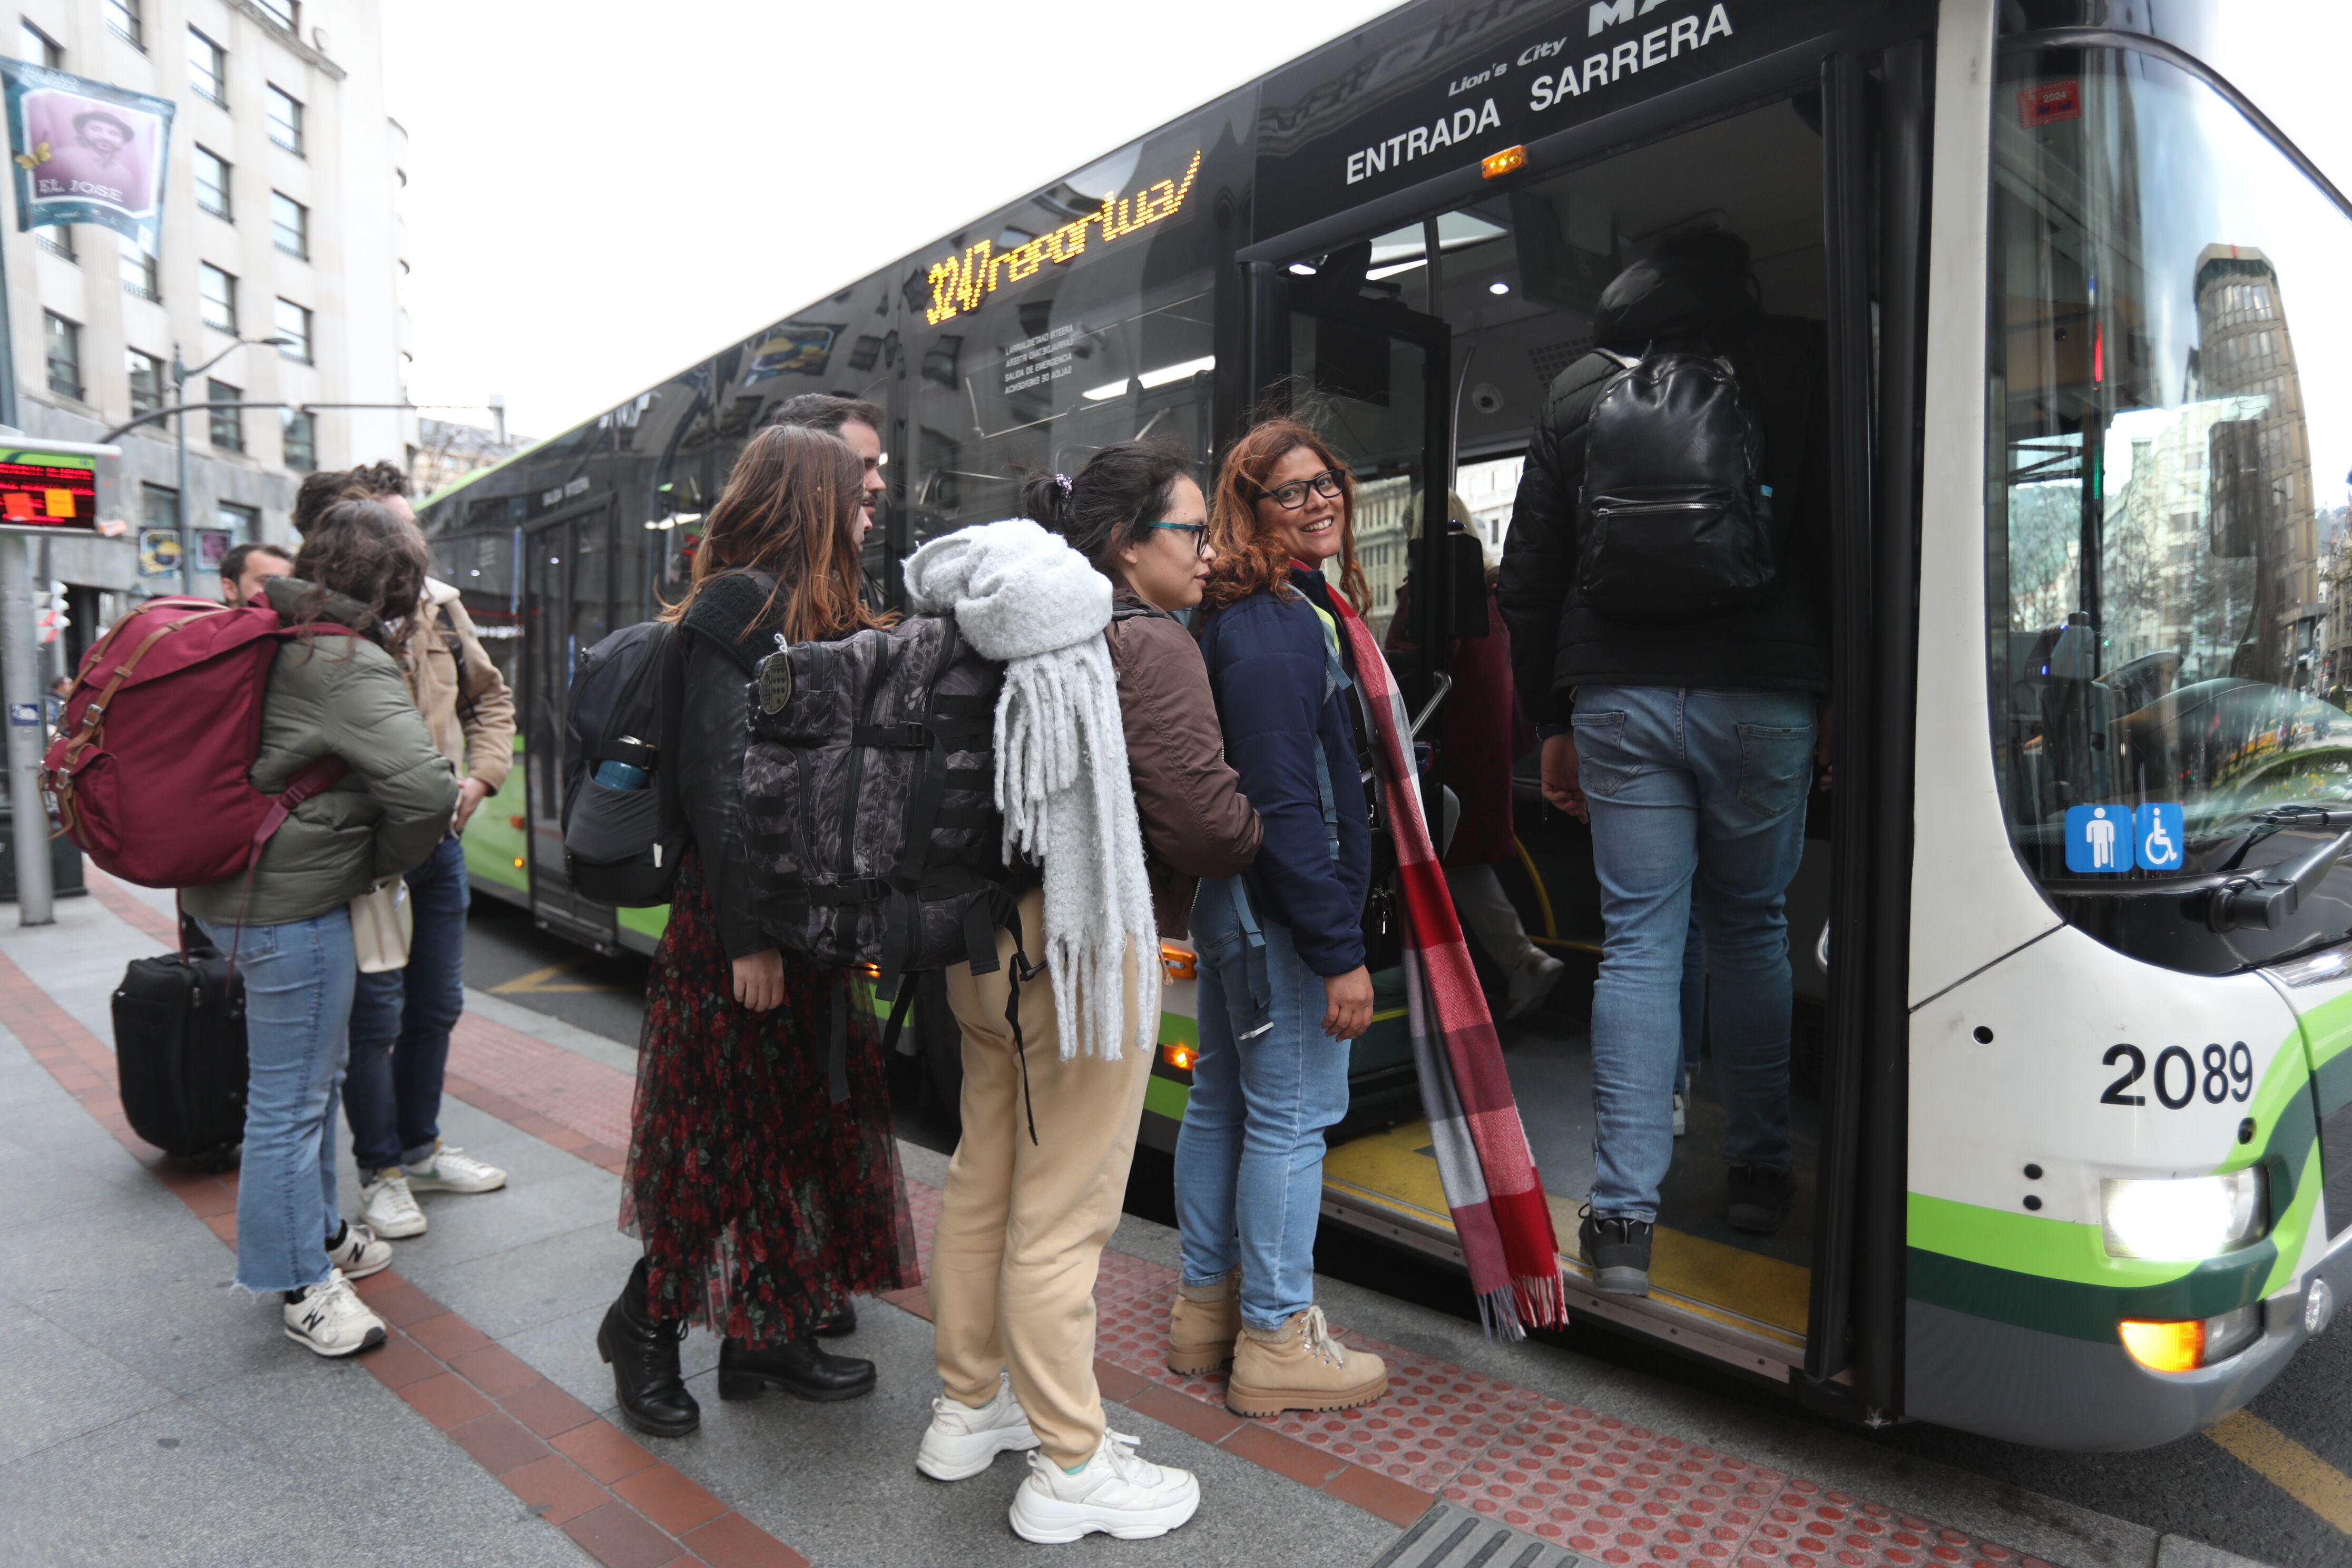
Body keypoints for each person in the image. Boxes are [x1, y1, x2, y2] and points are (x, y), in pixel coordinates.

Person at [913, 444, 1259, 1543]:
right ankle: (1070, 1463)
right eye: (1193, 532)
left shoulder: (1005, 618)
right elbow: (1204, 824)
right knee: (1066, 1208)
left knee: (986, 1175)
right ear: (1125, 544)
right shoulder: (1148, 646)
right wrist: (1257, 827)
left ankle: (970, 1408)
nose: (1211, 553)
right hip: (1082, 948)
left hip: (979, 943)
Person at [1497, 226, 1830, 1297]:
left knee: (1641, 941)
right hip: (1767, 691)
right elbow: (1843, 545)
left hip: (1618, 695)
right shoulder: (1803, 365)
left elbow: (1531, 574)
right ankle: (1757, 1173)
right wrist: (1842, 702)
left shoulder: (1576, 395)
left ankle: (1624, 1224)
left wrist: (1551, 715)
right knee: (1753, 926)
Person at [597, 423, 917, 1438]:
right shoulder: (737, 605)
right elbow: (719, 783)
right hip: (746, 927)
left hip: (805, 925)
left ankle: (764, 1330)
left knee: (787, 1134)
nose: (872, 496)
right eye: (853, 484)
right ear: (806, 495)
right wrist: (750, 938)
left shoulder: (805, 606)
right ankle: (641, 1328)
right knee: (720, 1143)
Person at [180, 499, 459, 1356]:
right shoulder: (345, 660)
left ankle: (321, 1230)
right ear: (398, 586)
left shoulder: (272, 628)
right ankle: (297, 1280)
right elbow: (424, 793)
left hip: (244, 888)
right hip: (289, 904)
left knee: (306, 1079)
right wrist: (376, 864)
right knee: (291, 1102)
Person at [1174, 416, 1388, 1418]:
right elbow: (1283, 798)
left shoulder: (1265, 610)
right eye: (1292, 491)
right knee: (1294, 1119)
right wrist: (1338, 949)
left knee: (1225, 1104)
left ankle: (1205, 1313)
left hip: (1238, 911)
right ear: (1246, 509)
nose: (1321, 500)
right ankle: (1274, 1337)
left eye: (1327, 480)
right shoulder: (1269, 623)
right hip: (1281, 920)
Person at [294, 463, 519, 1240]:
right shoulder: (321, 627)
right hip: (365, 853)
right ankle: (381, 1170)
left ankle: (420, 1150)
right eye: (392, 532)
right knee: (376, 1016)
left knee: (437, 1004)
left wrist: (482, 780)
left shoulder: (442, 609)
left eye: (407, 528)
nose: (408, 546)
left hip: (439, 843)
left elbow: (492, 699)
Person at [1384, 495, 1563, 1022]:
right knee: (1461, 864)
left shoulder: (1433, 599)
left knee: (1417, 862)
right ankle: (1518, 960)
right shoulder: (1493, 596)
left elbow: (1407, 681)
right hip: (1489, 755)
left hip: (1444, 754)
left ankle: (1433, 994)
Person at [767, 393, 886, 542]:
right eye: (860, 467)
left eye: (876, 466)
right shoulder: (756, 564)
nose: (880, 485)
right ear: (808, 470)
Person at [219, 542, 293, 607]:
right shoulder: (210, 622)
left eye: (288, 583)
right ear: (230, 588)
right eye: (266, 582)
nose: (280, 592)